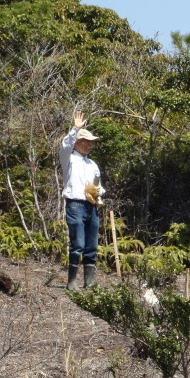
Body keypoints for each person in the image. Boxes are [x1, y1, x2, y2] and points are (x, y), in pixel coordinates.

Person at [60, 111, 104, 291]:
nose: (90, 145)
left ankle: (90, 282)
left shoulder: (92, 164)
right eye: (87, 141)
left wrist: (98, 193)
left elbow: (99, 185)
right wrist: (75, 128)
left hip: (91, 206)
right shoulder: (69, 159)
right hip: (75, 204)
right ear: (78, 142)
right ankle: (72, 282)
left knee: (91, 245)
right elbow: (65, 145)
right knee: (77, 243)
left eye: (91, 142)